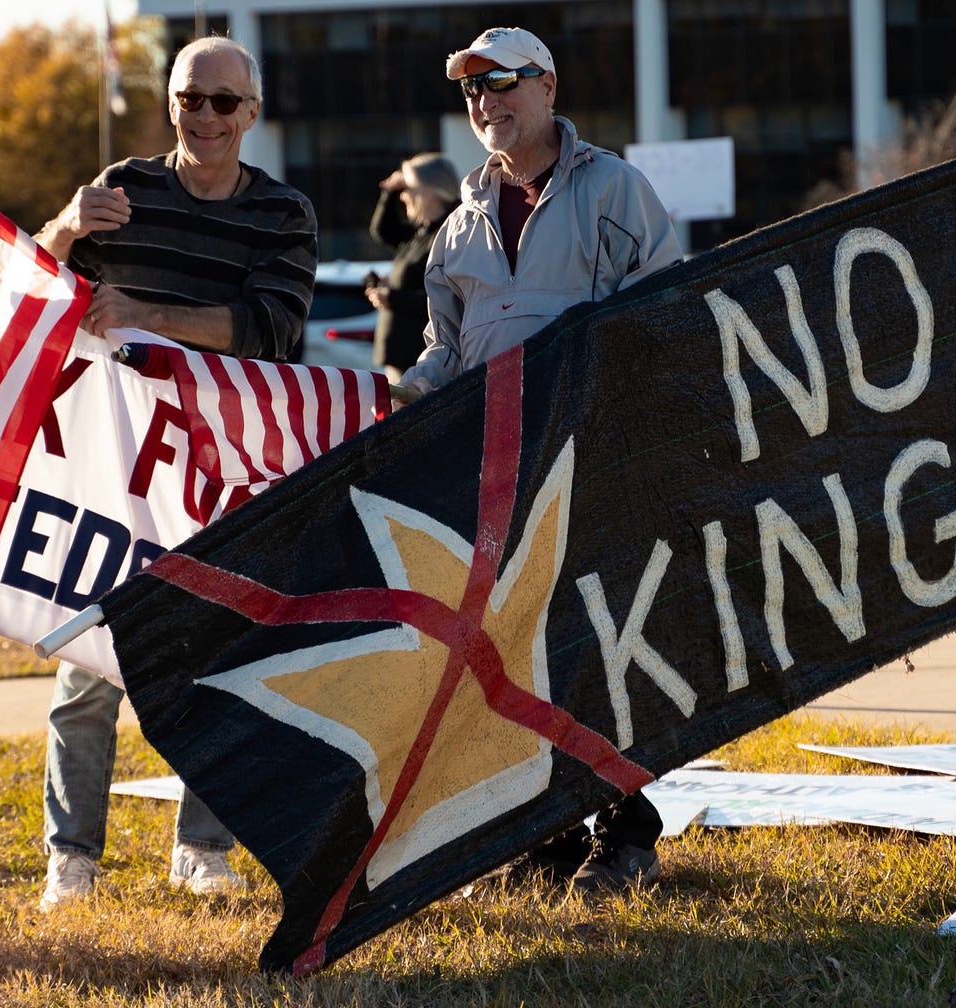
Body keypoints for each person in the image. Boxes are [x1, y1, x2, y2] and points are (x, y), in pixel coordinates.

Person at [32, 35, 317, 909]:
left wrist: (147, 310)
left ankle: (202, 845)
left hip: (222, 463)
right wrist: (69, 225)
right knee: (85, 664)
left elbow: (270, 330)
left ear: (253, 113)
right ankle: (69, 858)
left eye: (224, 102)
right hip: (113, 460)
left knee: (215, 656)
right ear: (169, 101)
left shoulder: (282, 214)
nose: (205, 117)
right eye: (191, 98)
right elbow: (40, 284)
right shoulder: (123, 188)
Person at [396, 27, 683, 893]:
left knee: (601, 650)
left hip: (598, 467)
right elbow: (445, 352)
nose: (486, 102)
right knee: (516, 656)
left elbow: (664, 309)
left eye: (503, 83)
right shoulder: (457, 229)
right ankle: (545, 836)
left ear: (548, 87)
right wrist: (401, 392)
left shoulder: (614, 190)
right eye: (471, 90)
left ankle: (627, 835)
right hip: (498, 483)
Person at [365, 153, 460, 382]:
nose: (403, 196)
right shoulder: (421, 232)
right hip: (402, 357)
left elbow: (449, 298)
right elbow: (383, 231)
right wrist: (389, 191)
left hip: (423, 361)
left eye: (408, 188)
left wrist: (394, 298)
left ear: (429, 190)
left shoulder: (451, 231)